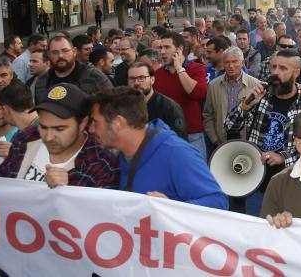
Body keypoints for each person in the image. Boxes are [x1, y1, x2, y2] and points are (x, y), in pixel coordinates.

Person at [88, 87, 227, 209]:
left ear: (117, 123)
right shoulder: (116, 155)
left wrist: (170, 207)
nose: (91, 129)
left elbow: (218, 202)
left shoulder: (177, 153)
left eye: (95, 122)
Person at [224, 49, 301, 216]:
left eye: (283, 68)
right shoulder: (261, 97)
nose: (275, 72)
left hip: (291, 188)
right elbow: (229, 126)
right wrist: (247, 105)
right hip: (257, 185)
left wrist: (284, 157)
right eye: (273, 67)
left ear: (296, 73)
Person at [0, 83, 119, 188]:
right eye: (43, 127)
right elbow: (0, 179)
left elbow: (97, 213)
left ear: (82, 123)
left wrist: (69, 191)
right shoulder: (27, 137)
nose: (48, 137)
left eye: (59, 129)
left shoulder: (101, 164)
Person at [153, 32, 208, 159]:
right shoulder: (158, 74)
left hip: (192, 135)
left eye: (167, 47)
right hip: (166, 136)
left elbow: (197, 94)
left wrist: (179, 69)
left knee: (196, 177)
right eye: (160, 47)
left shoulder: (197, 68)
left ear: (179, 49)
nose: (162, 52)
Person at [204, 47, 260, 146]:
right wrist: (215, 140)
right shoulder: (213, 85)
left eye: (235, 61)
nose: (231, 66)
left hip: (248, 142)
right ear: (223, 64)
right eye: (227, 62)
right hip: (221, 141)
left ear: (242, 63)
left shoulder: (256, 85)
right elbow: (208, 115)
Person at [31, 36, 113, 103]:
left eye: (65, 51)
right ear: (49, 55)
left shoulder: (95, 77)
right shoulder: (42, 82)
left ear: (74, 52)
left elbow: (111, 108)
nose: (60, 56)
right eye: (55, 52)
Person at [126, 62, 187, 139]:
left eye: (141, 78)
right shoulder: (125, 106)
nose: (136, 83)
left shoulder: (169, 107)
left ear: (152, 79)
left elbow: (180, 140)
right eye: (132, 79)